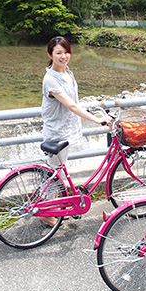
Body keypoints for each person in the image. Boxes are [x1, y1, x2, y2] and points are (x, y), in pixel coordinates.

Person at [40, 36, 112, 226]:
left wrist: (91, 110)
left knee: (57, 171)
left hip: (67, 130)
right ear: (50, 55)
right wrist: (97, 120)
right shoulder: (51, 79)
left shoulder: (67, 73)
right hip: (57, 132)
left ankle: (50, 207)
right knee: (56, 173)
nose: (64, 56)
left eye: (66, 52)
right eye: (58, 53)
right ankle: (46, 212)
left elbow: (75, 101)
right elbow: (71, 106)